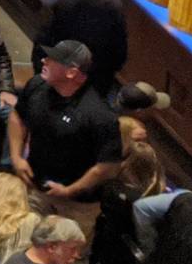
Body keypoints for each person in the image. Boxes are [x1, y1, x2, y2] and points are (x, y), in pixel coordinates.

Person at [10, 39, 123, 202]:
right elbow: (18, 116)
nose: (44, 60)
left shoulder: (99, 115)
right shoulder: (37, 85)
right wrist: (16, 157)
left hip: (74, 203)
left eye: (52, 59)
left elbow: (109, 166)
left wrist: (70, 190)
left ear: (71, 72)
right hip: (32, 184)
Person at [39, 0, 128, 101]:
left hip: (60, 74)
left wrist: (42, 72)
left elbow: (43, 39)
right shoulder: (114, 5)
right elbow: (119, 49)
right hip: (97, 79)